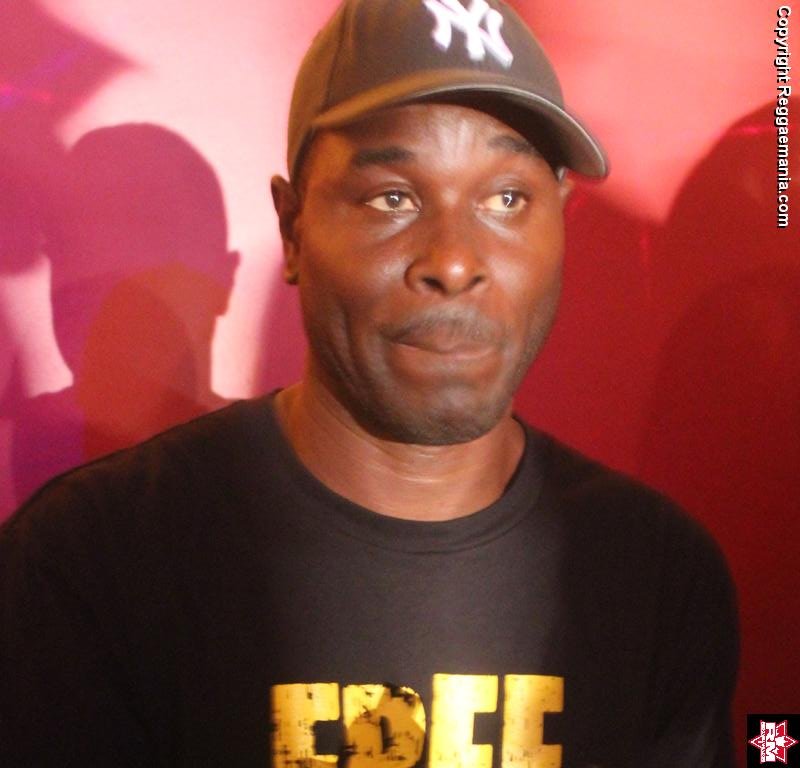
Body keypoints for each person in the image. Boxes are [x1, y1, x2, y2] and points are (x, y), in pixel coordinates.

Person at [0, 1, 737, 766]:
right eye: (393, 198)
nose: (454, 261)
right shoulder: (89, 566)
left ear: (561, 219)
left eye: (506, 200)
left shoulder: (658, 575)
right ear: (292, 228)